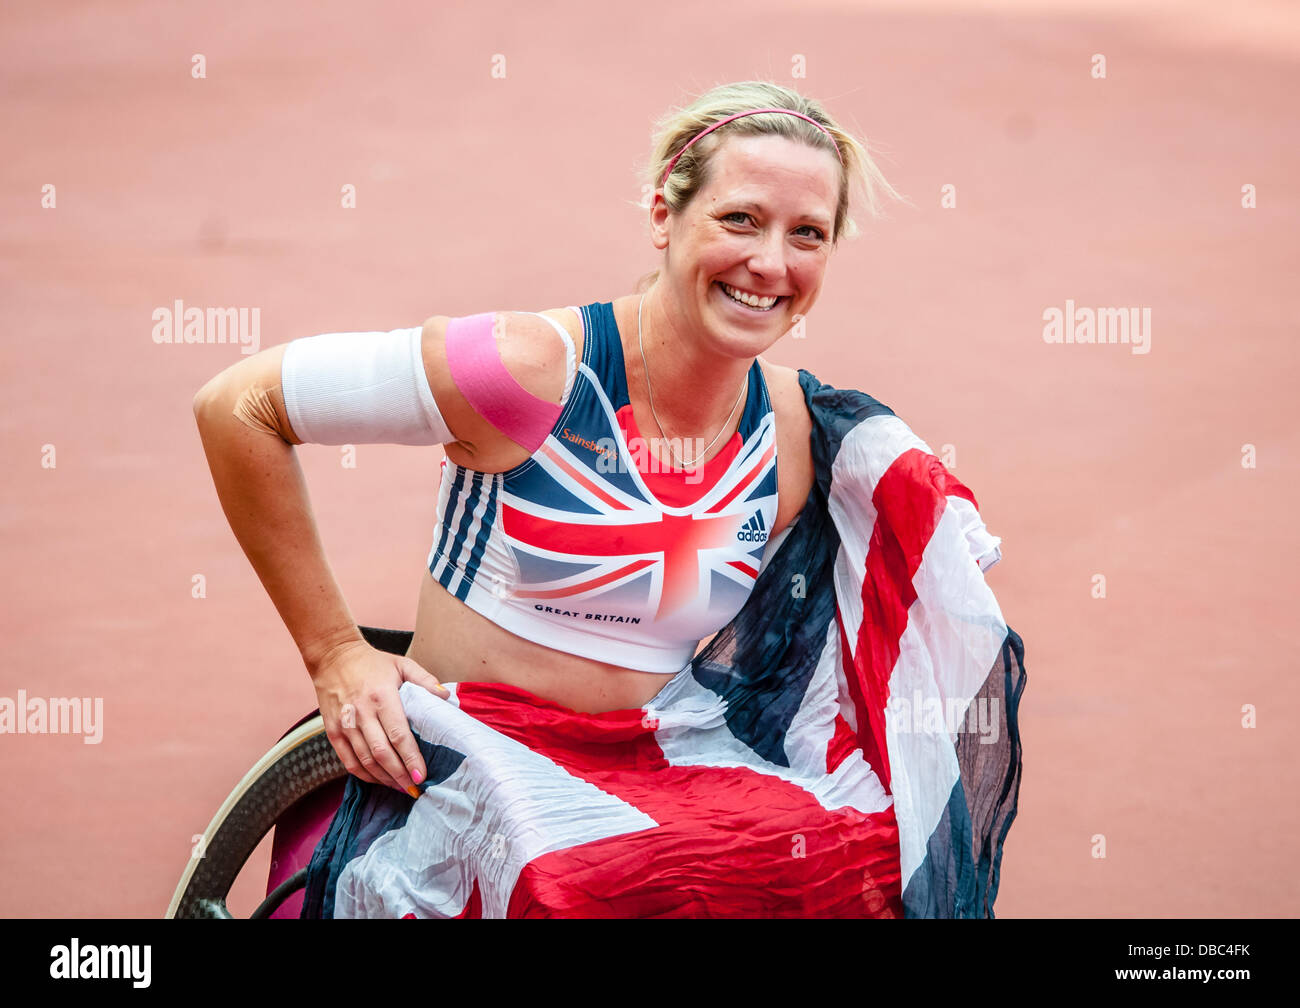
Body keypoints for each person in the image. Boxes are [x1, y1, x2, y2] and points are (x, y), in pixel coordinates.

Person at [192, 80, 904, 801]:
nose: (772, 264)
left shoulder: (792, 438)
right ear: (664, 214)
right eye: (741, 219)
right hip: (462, 800)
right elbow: (237, 405)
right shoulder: (525, 371)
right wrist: (338, 653)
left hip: (639, 821)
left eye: (807, 233)